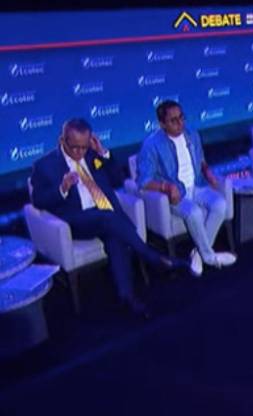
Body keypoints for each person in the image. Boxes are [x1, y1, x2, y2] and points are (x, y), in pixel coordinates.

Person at [31, 118, 179, 317]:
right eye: (74, 147)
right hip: (77, 220)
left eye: (84, 147)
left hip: (105, 216)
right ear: (62, 140)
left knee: (114, 238)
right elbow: (38, 201)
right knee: (109, 218)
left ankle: (127, 298)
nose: (79, 153)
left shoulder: (94, 156)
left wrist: (103, 153)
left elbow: (117, 179)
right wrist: (62, 188)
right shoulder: (45, 165)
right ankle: (152, 256)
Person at [137, 100, 236, 277]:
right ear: (162, 124)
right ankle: (209, 258)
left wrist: (207, 172)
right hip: (174, 195)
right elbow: (143, 181)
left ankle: (198, 254)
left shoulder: (192, 134)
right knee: (194, 213)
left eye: (181, 118)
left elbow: (201, 160)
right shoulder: (151, 145)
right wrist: (166, 187)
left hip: (196, 186)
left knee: (220, 204)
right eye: (173, 120)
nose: (180, 123)